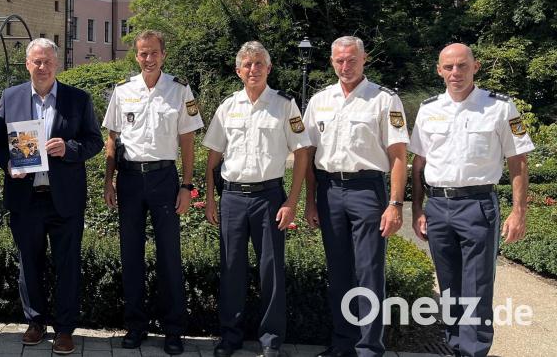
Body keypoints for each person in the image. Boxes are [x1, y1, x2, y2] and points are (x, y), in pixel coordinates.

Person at [409, 43, 534, 357]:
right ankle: (454, 348)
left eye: (462, 66)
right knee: (449, 287)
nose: (455, 73)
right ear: (439, 70)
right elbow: (418, 164)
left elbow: (518, 161)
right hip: (437, 207)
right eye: (448, 67)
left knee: (477, 288)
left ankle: (474, 351)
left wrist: (519, 212)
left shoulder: (500, 107)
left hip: (477, 206)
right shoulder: (428, 108)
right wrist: (417, 208)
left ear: (475, 67)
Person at [0, 38, 103, 355]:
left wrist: (70, 148)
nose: (42, 67)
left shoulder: (77, 99)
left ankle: (65, 330)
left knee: (67, 265)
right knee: (29, 263)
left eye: (48, 62)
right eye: (36, 61)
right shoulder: (11, 97)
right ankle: (35, 322)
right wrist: (9, 163)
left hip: (63, 198)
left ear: (57, 65)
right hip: (26, 197)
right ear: (27, 64)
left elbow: (94, 141)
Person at [202, 42, 311, 357]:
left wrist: (292, 200)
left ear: (269, 68)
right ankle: (230, 337)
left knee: (271, 271)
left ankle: (271, 340)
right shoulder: (227, 107)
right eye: (247, 64)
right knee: (231, 268)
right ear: (238, 71)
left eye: (259, 63)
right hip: (233, 198)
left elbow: (302, 154)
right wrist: (211, 198)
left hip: (269, 198)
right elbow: (213, 157)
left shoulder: (284, 105)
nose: (253, 69)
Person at [302, 36, 408, 357]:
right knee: (338, 272)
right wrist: (310, 200)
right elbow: (307, 155)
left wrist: (395, 203)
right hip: (329, 191)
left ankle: (368, 348)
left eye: (351, 60)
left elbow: (399, 156)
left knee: (369, 272)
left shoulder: (384, 100)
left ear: (364, 60)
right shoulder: (319, 101)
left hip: (367, 191)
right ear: (331, 61)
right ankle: (343, 344)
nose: (345, 66)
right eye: (339, 61)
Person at [102, 30, 203, 355]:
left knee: (169, 257)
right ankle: (135, 326)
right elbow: (112, 140)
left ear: (163, 54)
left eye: (154, 53)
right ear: (136, 55)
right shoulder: (123, 90)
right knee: (130, 255)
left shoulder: (179, 89)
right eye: (143, 54)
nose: (148, 59)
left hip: (164, 179)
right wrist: (109, 180)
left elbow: (188, 140)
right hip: (130, 179)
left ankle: (173, 330)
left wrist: (187, 186)